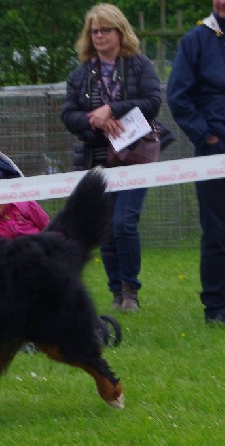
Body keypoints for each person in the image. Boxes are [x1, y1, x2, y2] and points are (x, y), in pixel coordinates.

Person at [61, 3, 162, 312]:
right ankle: (116, 291)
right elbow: (68, 114)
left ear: (120, 32)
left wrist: (113, 109)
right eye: (95, 31)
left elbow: (153, 102)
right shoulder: (81, 74)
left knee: (124, 223)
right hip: (97, 157)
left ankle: (131, 290)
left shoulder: (140, 65)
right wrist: (95, 119)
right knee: (104, 227)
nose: (100, 36)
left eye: (106, 30)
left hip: (135, 156)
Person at [167, 0, 225, 326]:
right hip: (215, 151)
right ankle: (216, 308)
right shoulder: (196, 40)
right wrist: (208, 137)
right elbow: (178, 95)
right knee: (217, 231)